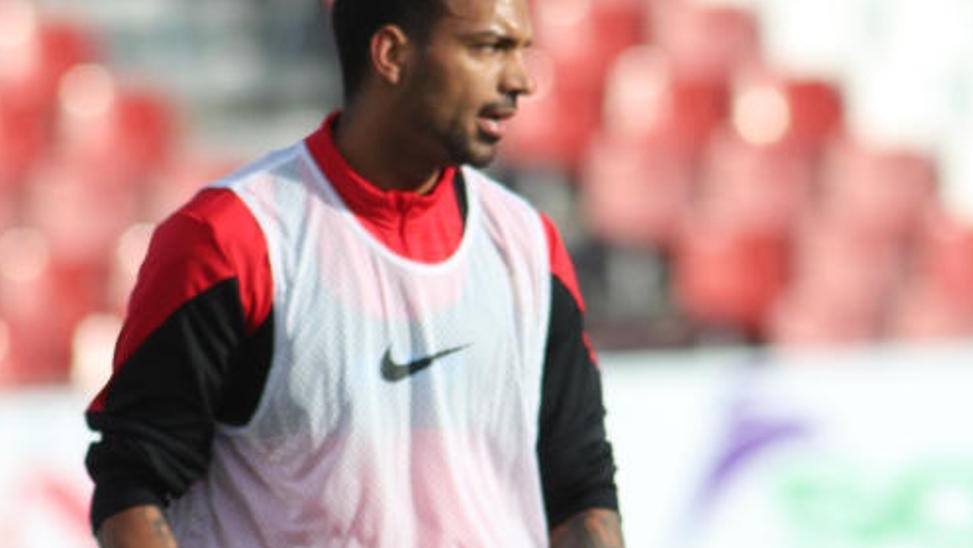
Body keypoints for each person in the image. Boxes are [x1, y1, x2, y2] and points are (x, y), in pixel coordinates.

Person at [84, 0, 622, 545]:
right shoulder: (232, 241)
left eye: (522, 50)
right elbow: (131, 490)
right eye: (489, 47)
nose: (521, 81)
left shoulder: (529, 246)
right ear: (391, 54)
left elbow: (580, 490)